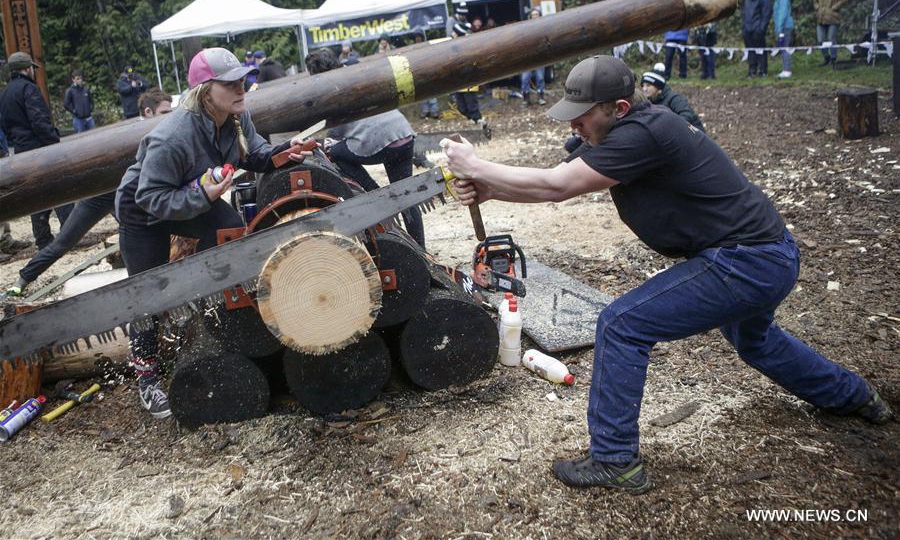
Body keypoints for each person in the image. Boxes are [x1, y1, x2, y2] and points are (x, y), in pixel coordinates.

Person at [441, 55, 893, 493]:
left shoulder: (647, 133)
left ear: (618, 108)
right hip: (763, 255)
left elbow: (556, 187)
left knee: (621, 324)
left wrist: (476, 167)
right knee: (756, 341)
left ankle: (615, 460)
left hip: (748, 261)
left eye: (582, 116)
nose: (573, 126)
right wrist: (487, 188)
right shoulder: (617, 133)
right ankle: (855, 397)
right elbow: (556, 181)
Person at [115, 48, 313, 418]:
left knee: (231, 233)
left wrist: (288, 151)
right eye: (231, 84)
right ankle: (147, 379)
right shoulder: (172, 137)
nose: (242, 89)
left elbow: (255, 156)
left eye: (243, 81)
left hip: (192, 195)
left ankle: (219, 314)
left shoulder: (236, 118)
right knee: (146, 295)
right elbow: (150, 196)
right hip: (144, 212)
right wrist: (200, 195)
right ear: (207, 91)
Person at [5, 89, 175, 297]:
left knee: (136, 234)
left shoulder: (161, 131)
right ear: (148, 112)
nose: (169, 116)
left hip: (127, 197)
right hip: (103, 194)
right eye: (165, 112)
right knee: (65, 241)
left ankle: (138, 283)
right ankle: (21, 280)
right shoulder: (135, 133)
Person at [306, 48, 425, 248]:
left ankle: (373, 192)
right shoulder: (357, 73)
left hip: (379, 141)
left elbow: (336, 131)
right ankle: (421, 249)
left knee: (333, 153)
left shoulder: (330, 88)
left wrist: (329, 140)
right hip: (402, 133)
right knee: (407, 196)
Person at [0, 51, 74, 250]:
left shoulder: (5, 93)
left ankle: (43, 239)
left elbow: (6, 126)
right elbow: (39, 121)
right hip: (40, 148)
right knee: (60, 189)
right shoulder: (29, 89)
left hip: (22, 150)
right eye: (32, 67)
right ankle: (71, 234)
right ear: (27, 68)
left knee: (36, 194)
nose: (33, 70)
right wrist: (53, 143)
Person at [640, 64, 705, 131]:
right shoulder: (647, 101)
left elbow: (687, 115)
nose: (644, 89)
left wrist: (669, 128)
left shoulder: (674, 98)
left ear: (658, 87)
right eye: (643, 85)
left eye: (648, 85)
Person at [813, 0, 848, 67]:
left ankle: (833, 58)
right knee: (820, 40)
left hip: (833, 18)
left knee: (831, 38)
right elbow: (815, 1)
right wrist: (817, 7)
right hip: (821, 18)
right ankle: (826, 57)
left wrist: (835, 7)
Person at [742, 0, 772, 77]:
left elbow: (766, 15)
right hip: (748, 30)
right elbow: (745, 15)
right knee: (750, 51)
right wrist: (744, 28)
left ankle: (763, 70)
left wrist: (761, 29)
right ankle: (752, 70)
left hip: (757, 30)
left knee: (761, 51)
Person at [520, 9, 547, 106]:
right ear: (530, 17)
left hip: (539, 57)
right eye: (533, 15)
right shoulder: (525, 27)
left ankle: (541, 98)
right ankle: (526, 99)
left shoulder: (543, 27)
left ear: (540, 15)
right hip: (527, 58)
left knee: (540, 78)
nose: (535, 16)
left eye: (537, 14)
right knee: (524, 79)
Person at [771, 0, 796, 79]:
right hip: (781, 27)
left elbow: (782, 14)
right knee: (782, 47)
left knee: (785, 47)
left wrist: (779, 29)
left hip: (785, 27)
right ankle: (785, 69)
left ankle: (787, 70)